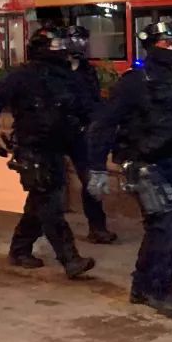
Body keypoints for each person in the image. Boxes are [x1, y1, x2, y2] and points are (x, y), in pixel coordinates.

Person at [86, 21, 172, 319]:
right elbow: (102, 125)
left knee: (159, 228)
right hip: (143, 167)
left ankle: (142, 286)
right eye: (165, 44)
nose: (171, 49)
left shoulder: (168, 80)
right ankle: (159, 290)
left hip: (165, 163)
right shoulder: (134, 82)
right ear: (150, 44)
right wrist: (96, 168)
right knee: (170, 227)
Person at [0, 28, 96, 278]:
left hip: (58, 148)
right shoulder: (21, 77)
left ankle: (20, 249)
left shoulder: (68, 77)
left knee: (40, 202)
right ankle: (70, 259)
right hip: (32, 150)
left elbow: (88, 108)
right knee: (50, 204)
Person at [65, 25, 117, 244]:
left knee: (90, 181)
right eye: (75, 41)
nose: (80, 46)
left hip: (82, 133)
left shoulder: (88, 71)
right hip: (57, 132)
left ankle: (97, 227)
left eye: (83, 41)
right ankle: (25, 242)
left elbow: (93, 101)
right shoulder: (54, 69)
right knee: (46, 188)